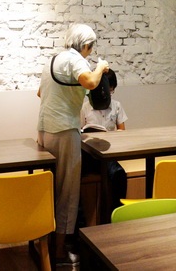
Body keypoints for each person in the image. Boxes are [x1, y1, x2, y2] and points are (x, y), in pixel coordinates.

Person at [37, 24, 109, 267]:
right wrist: (100, 67)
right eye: (91, 48)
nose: (91, 52)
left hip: (45, 130)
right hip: (65, 130)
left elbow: (40, 93)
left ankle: (45, 246)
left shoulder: (53, 60)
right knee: (67, 192)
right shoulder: (76, 59)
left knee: (50, 190)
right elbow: (90, 82)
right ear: (86, 45)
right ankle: (59, 253)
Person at [80, 69, 128, 214]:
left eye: (110, 91)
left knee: (119, 174)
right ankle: (81, 220)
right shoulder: (85, 107)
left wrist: (115, 135)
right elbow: (79, 132)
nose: (107, 95)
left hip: (108, 155)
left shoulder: (116, 106)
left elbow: (123, 131)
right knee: (74, 177)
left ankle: (116, 213)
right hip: (88, 155)